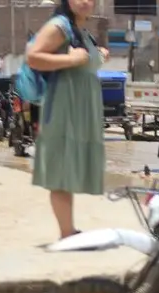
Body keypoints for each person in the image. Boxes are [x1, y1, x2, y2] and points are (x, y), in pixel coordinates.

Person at [26, 0, 109, 241]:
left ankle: (69, 230)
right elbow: (34, 57)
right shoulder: (60, 26)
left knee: (69, 168)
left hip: (78, 109)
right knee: (61, 172)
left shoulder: (80, 30)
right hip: (64, 108)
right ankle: (66, 233)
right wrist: (71, 60)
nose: (85, 2)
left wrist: (98, 55)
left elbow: (83, 60)